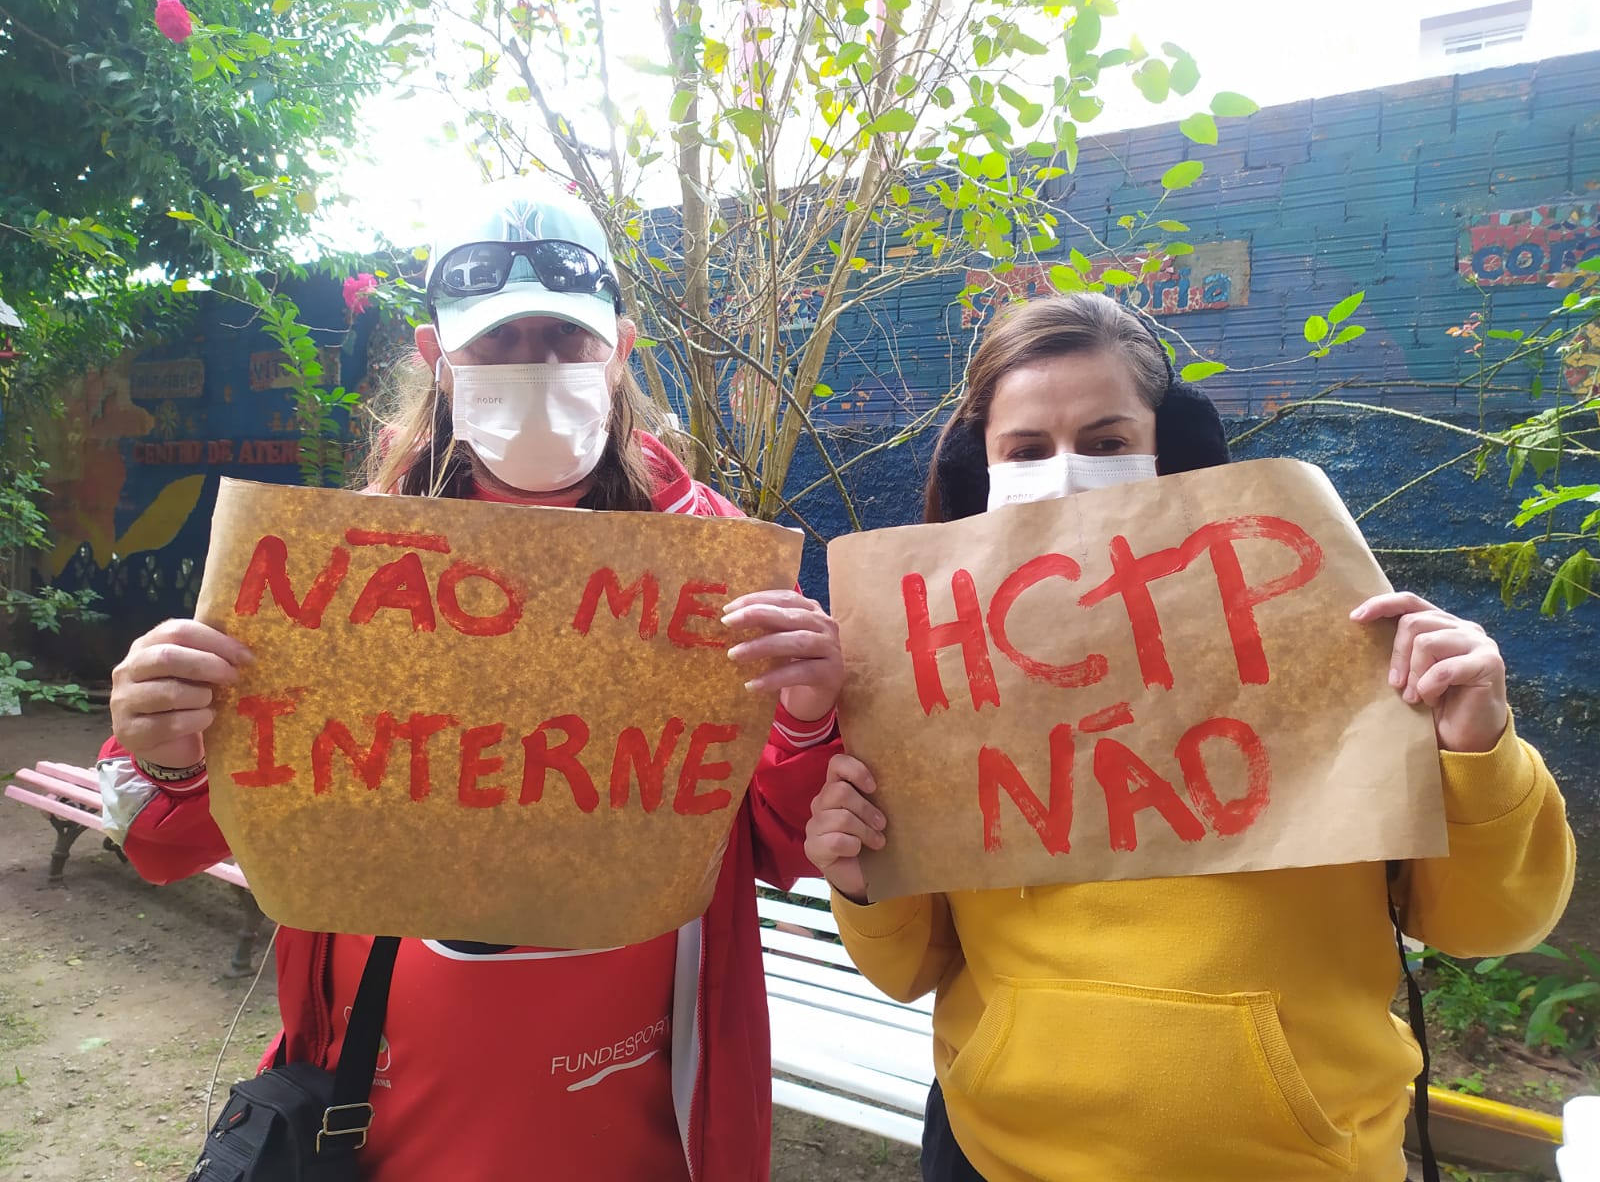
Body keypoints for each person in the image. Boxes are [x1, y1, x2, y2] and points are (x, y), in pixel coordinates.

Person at [104, 176, 844, 1182]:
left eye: (565, 339)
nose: (535, 366)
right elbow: (168, 839)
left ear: (620, 353)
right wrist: (167, 747)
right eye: (497, 342)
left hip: (635, 1113)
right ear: (437, 358)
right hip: (383, 1104)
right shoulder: (333, 568)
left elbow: (784, 841)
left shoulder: (721, 568)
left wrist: (808, 721)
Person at [803, 291, 1575, 1182]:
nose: (1064, 475)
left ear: (1168, 446)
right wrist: (861, 878)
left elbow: (1493, 923)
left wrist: (1478, 751)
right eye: (1026, 450)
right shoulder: (938, 678)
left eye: (1106, 444)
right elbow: (909, 970)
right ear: (984, 467)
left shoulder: (1322, 635)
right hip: (996, 1155)